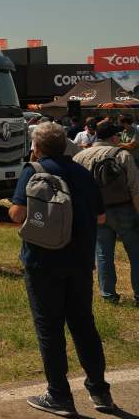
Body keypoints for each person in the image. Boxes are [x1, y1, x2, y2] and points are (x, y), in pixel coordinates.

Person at [9, 121, 113, 417]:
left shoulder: (34, 171)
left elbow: (17, 214)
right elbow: (102, 219)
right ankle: (100, 391)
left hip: (43, 262)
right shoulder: (83, 172)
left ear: (36, 147)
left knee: (49, 328)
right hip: (80, 261)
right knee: (83, 325)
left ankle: (59, 395)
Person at [73, 122, 139, 305]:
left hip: (96, 212)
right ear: (113, 138)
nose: (119, 138)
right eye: (117, 136)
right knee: (135, 253)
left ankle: (108, 295)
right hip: (124, 209)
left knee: (103, 254)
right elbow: (135, 189)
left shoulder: (80, 157)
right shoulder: (122, 155)